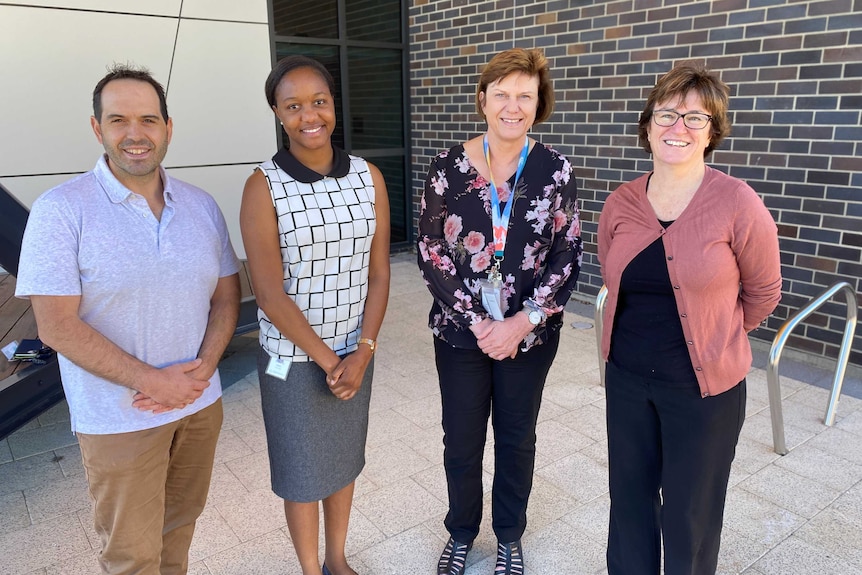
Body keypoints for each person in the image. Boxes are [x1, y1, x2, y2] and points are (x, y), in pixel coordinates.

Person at [15, 64, 241, 575]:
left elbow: (228, 297)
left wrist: (203, 368)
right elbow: (56, 326)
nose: (135, 134)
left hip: (200, 405)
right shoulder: (61, 211)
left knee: (180, 527)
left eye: (148, 119)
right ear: (97, 129)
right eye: (118, 120)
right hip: (118, 418)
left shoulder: (201, 206)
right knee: (132, 555)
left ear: (167, 127)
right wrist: (151, 381)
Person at [597, 62, 782, 575]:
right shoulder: (621, 203)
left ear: (712, 132)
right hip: (628, 381)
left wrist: (718, 336)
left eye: (696, 118)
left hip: (704, 394)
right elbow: (612, 272)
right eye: (667, 114)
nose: (679, 128)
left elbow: (764, 291)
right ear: (648, 126)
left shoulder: (736, 202)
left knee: (689, 516)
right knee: (629, 505)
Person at [418, 48, 582, 575]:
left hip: (529, 337)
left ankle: (509, 535)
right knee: (462, 438)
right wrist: (479, 321)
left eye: (525, 96)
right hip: (461, 333)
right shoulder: (447, 167)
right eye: (502, 94)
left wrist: (521, 321)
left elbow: (567, 253)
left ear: (539, 104)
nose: (513, 106)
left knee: (516, 437)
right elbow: (431, 251)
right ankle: (462, 532)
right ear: (483, 100)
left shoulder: (555, 170)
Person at [239, 55, 390, 575]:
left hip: (355, 354)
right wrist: (332, 362)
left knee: (342, 461)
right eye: (293, 105)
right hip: (295, 360)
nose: (310, 115)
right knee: (303, 473)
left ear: (333, 105)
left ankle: (338, 561)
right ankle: (310, 569)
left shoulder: (369, 177)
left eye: (319, 101)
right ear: (278, 114)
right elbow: (269, 293)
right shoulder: (264, 186)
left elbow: (379, 275)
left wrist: (363, 351)